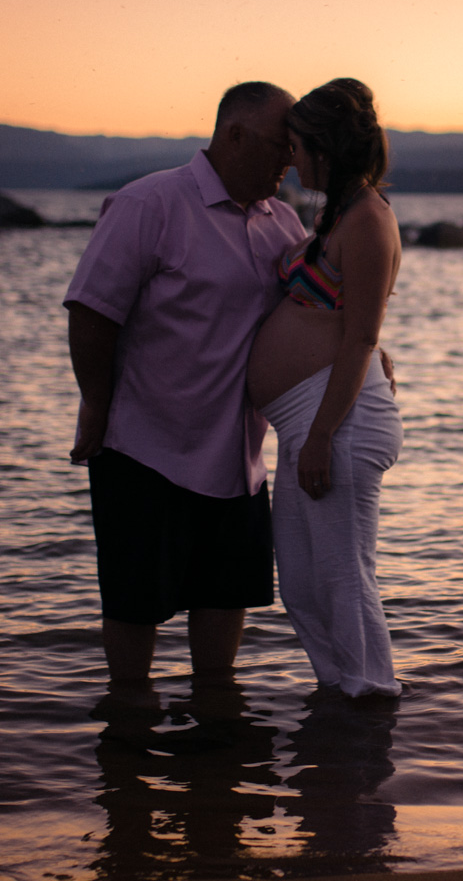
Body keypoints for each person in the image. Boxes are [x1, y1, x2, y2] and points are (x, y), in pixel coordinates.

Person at [64, 81, 307, 683]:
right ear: (234, 135)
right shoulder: (150, 203)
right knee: (133, 612)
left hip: (238, 460)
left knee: (224, 616)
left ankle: (216, 758)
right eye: (282, 145)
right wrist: (96, 403)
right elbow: (92, 309)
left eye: (297, 148)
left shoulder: (284, 222)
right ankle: (126, 755)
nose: (291, 160)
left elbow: (311, 312)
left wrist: (369, 352)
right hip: (145, 448)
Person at [246, 78, 405, 698]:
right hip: (310, 420)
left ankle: (373, 699)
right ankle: (341, 698)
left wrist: (320, 435)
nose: (291, 158)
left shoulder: (367, 219)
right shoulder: (334, 212)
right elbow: (349, 318)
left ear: (326, 150)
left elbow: (361, 333)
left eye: (298, 146)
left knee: (343, 574)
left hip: (335, 422)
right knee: (303, 584)